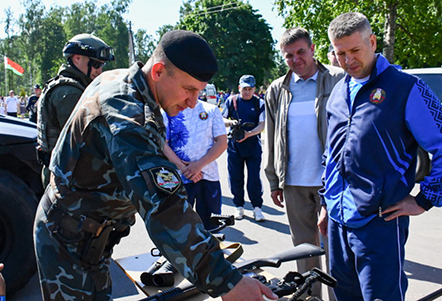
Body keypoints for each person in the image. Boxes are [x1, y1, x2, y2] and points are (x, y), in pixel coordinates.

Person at [33, 29, 276, 301]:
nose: (193, 102)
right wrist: (227, 281)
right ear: (159, 71)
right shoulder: (124, 113)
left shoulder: (130, 85)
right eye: (188, 89)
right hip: (68, 241)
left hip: (90, 235)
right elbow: (164, 207)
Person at [320, 12, 442, 301]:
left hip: (380, 223)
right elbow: (332, 152)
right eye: (340, 53)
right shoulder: (339, 90)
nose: (348, 60)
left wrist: (425, 199)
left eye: (354, 51)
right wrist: (326, 202)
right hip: (337, 221)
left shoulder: (405, 87)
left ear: (372, 42)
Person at [264, 27, 344, 297]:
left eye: (300, 52)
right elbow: (272, 137)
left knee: (336, 252)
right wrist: (274, 180)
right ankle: (311, 298)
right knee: (304, 252)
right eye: (288, 55)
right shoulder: (278, 89)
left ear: (312, 49)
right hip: (294, 183)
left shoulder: (337, 80)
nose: (295, 59)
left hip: (332, 183)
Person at [37, 33, 115, 188]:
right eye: (96, 64)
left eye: (102, 65)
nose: (99, 71)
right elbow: (87, 139)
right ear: (77, 58)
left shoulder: (74, 87)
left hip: (68, 174)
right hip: (67, 178)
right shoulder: (69, 92)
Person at [162, 99, 227, 231]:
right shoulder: (168, 110)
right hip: (179, 179)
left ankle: (211, 251)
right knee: (180, 227)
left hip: (208, 177)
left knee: (211, 227)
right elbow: (163, 144)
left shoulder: (211, 110)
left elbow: (222, 142)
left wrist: (198, 165)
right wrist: (184, 168)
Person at [222, 74, 266, 221]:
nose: (246, 92)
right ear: (239, 88)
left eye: (250, 89)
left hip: (252, 144)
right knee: (235, 176)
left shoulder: (259, 103)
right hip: (235, 145)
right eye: (244, 88)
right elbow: (221, 119)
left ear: (254, 89)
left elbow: (262, 125)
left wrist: (249, 133)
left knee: (254, 177)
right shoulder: (231, 101)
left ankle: (257, 207)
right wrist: (232, 123)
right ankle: (239, 206)